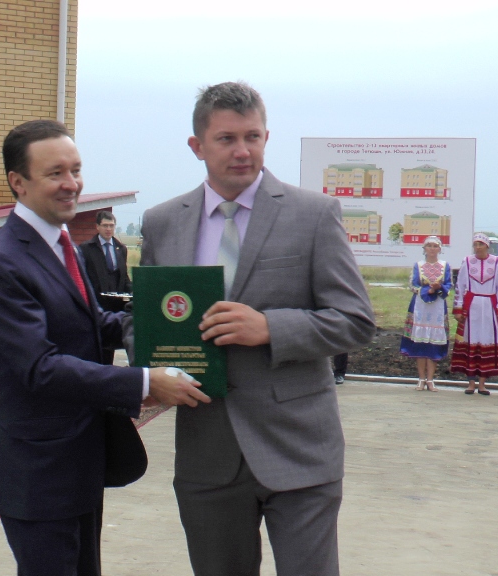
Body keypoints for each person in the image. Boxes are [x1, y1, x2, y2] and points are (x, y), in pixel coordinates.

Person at [139, 81, 375, 576]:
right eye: (226, 139)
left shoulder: (313, 214)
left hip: (299, 448)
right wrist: (151, 368)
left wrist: (270, 327)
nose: (242, 151)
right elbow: (147, 322)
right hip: (208, 453)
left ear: (267, 137)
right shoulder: (162, 223)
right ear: (197, 146)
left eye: (252, 137)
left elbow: (355, 320)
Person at [0, 119, 210, 576]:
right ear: (18, 182)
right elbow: (39, 368)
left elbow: (91, 324)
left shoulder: (63, 245)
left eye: (76, 170)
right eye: (55, 173)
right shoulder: (1, 263)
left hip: (79, 458)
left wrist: (166, 328)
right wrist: (144, 382)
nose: (72, 183)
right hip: (38, 471)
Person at [450, 233, 498, 395]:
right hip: (471, 306)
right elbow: (460, 285)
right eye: (475, 244)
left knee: (486, 339)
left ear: (487, 246)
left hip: (489, 306)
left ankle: (482, 383)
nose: (477, 247)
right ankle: (471, 383)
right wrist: (458, 307)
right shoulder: (467, 261)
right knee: (471, 339)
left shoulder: (496, 262)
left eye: (481, 244)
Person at [80, 210, 133, 365]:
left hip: (118, 307)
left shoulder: (121, 249)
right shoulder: (86, 249)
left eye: (111, 225)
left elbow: (123, 277)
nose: (108, 229)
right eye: (105, 225)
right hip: (98, 308)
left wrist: (134, 292)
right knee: (101, 354)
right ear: (97, 227)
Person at [400, 236, 452, 391]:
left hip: (437, 306)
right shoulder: (418, 265)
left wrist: (439, 288)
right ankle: (421, 378)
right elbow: (412, 285)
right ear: (424, 249)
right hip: (420, 306)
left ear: (440, 249)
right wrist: (426, 290)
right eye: (429, 246)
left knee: (433, 343)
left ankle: (430, 379)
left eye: (435, 246)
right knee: (420, 342)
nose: (432, 249)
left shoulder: (445, 266)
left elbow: (449, 285)